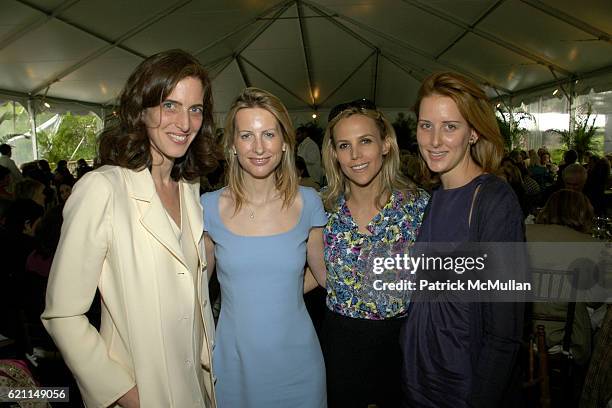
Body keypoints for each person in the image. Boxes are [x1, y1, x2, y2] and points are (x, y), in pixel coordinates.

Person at [41, 49, 218, 408]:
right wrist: (125, 394)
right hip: (142, 390)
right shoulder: (102, 189)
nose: (184, 123)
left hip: (199, 388)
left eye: (195, 109)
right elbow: (63, 314)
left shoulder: (189, 188)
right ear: (142, 109)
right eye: (170, 105)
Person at [401, 72, 525, 408]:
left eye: (450, 126)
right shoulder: (434, 198)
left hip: (463, 388)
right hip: (419, 381)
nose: (435, 140)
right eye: (426, 125)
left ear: (473, 132)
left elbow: (506, 332)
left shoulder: (494, 202)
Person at [201, 87, 327, 408]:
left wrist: (279, 292)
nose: (258, 147)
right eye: (246, 136)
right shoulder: (207, 208)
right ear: (232, 144)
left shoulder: (308, 201)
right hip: (234, 364)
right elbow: (193, 289)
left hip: (299, 364)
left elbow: (325, 276)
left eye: (269, 134)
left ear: (284, 142)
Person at [320, 98, 429, 407]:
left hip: (402, 344)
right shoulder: (322, 210)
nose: (355, 155)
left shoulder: (418, 207)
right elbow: (309, 272)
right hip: (340, 344)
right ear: (334, 154)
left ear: (385, 144)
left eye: (365, 141)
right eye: (344, 145)